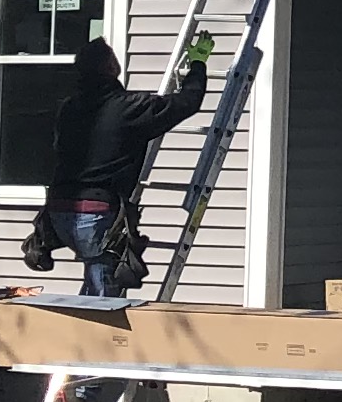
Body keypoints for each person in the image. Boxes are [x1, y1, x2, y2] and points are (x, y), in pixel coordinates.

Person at [23, 35, 211, 295]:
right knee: (105, 296)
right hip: (95, 213)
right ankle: (100, 334)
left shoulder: (69, 108)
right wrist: (198, 63)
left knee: (96, 281)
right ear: (111, 68)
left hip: (58, 213)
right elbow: (185, 103)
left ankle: (87, 329)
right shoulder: (129, 108)